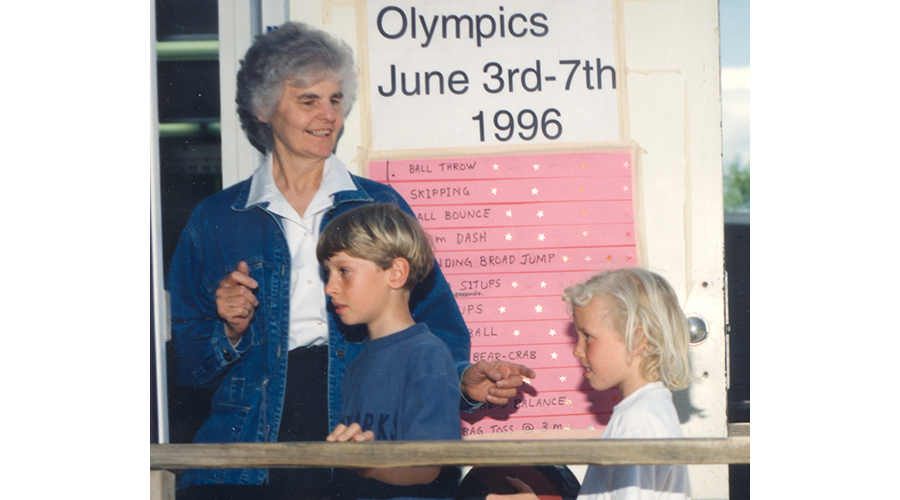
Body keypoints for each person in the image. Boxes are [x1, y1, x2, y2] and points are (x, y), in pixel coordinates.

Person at [165, 21, 535, 500]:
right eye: (308, 100)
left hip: (362, 433)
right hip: (246, 454)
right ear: (263, 107)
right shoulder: (214, 219)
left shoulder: (381, 207)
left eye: (336, 100)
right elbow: (187, 368)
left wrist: (464, 379)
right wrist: (230, 331)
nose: (327, 116)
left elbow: (435, 329)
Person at [488, 268, 693, 500]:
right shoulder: (647, 409)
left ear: (637, 340)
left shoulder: (638, 421)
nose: (577, 350)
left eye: (587, 336)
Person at [318, 203, 463, 500]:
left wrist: (371, 466)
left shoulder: (427, 355)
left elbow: (427, 466)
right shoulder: (357, 363)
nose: (330, 287)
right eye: (327, 273)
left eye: (344, 271)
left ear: (395, 273)